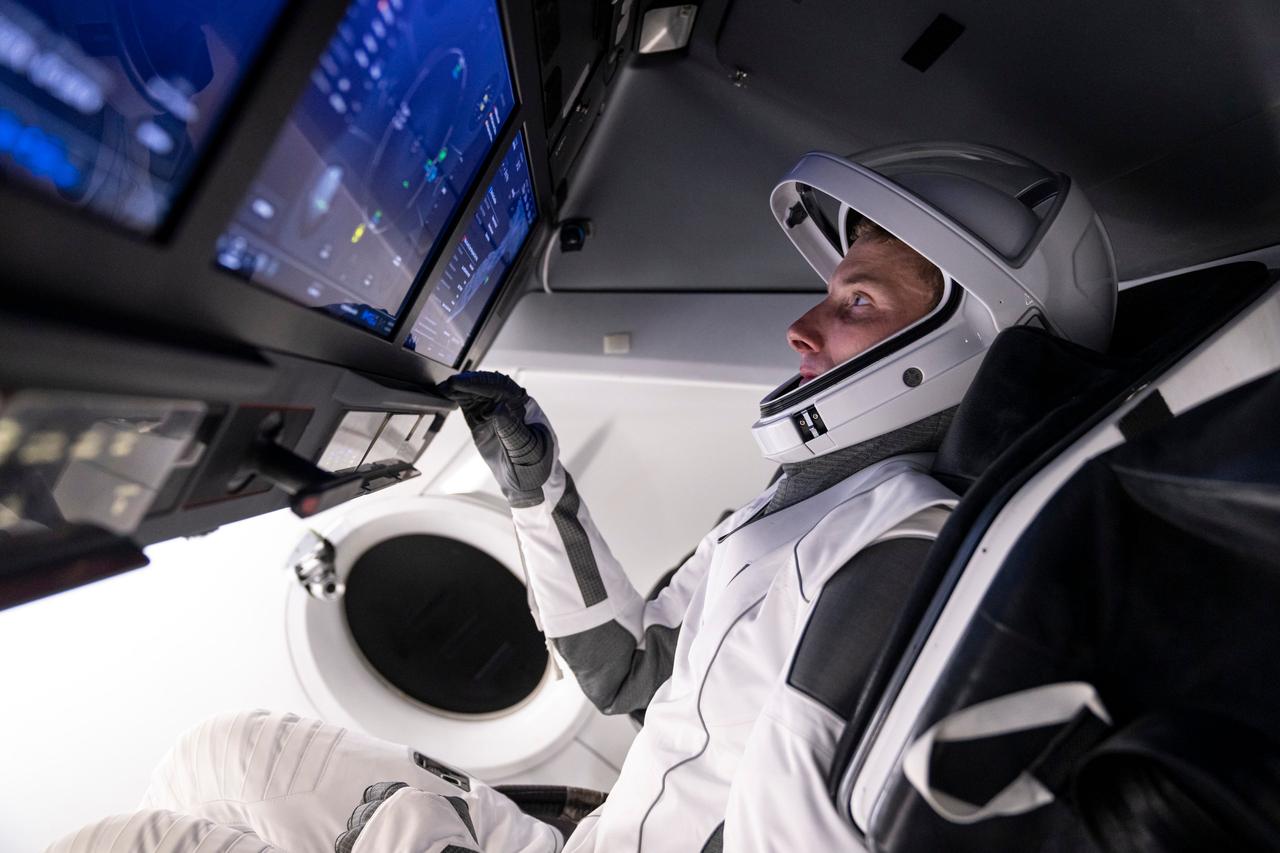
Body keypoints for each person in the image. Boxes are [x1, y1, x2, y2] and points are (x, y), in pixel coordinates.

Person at [46, 143, 1115, 852]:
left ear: (967, 341)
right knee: (216, 752)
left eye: (852, 303)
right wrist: (537, 487)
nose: (802, 331)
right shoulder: (807, 511)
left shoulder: (890, 553)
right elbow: (627, 670)